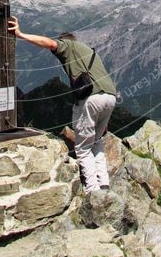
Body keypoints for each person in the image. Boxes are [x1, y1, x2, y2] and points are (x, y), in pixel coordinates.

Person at [8, 15, 117, 193]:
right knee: (97, 141)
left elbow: (49, 43)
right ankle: (104, 183)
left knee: (82, 148)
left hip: (90, 98)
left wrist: (21, 34)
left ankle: (92, 191)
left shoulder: (68, 45)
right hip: (110, 96)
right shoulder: (90, 51)